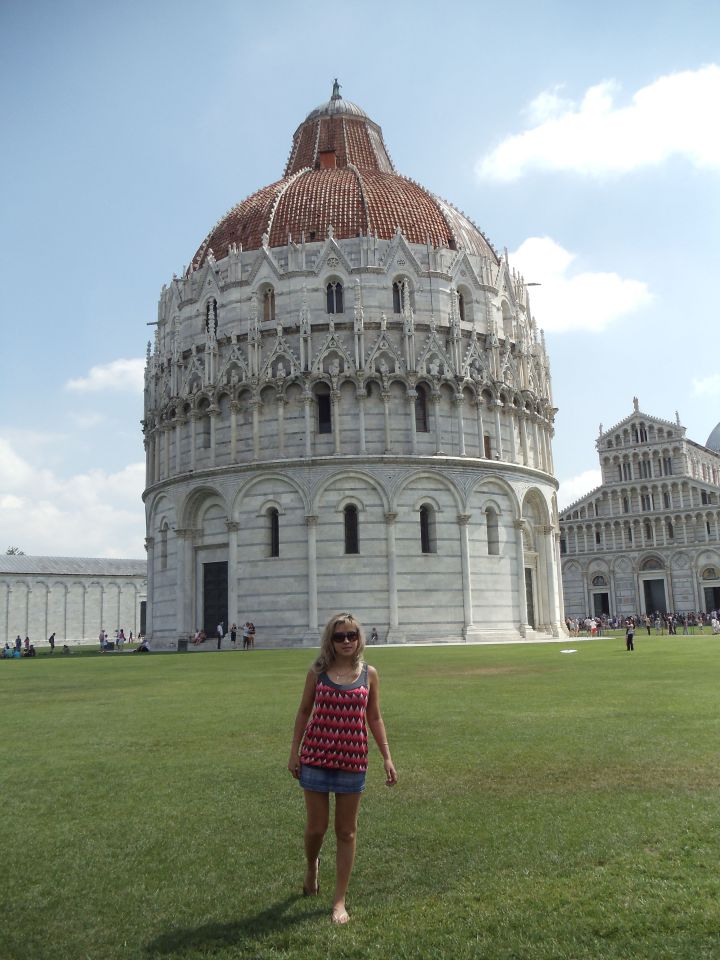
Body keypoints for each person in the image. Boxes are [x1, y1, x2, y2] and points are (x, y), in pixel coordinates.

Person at [288, 612, 397, 925]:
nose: (347, 641)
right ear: (330, 641)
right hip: (316, 759)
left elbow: (374, 717)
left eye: (352, 635)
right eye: (340, 636)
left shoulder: (369, 674)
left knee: (347, 831)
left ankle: (339, 901)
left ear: (360, 638)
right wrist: (294, 752)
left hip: (352, 761)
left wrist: (387, 757)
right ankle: (312, 865)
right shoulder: (317, 672)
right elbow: (304, 711)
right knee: (316, 828)